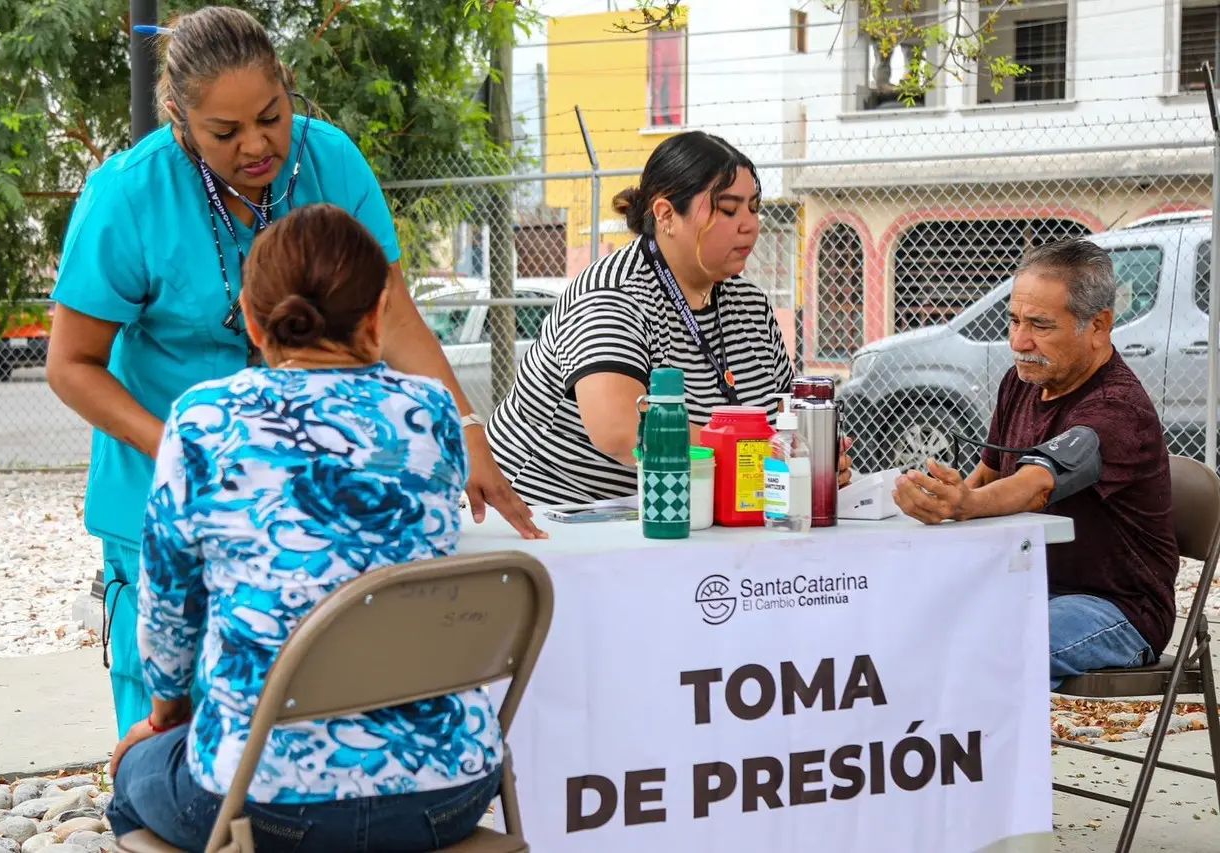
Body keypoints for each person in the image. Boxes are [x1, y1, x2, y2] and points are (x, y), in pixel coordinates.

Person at [46, 5, 542, 740]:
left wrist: (467, 429)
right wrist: (184, 451)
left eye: (271, 116)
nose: (257, 145)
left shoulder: (333, 160)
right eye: (226, 132)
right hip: (160, 488)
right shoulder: (126, 196)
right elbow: (70, 364)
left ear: (287, 86)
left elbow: (394, 312)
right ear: (180, 120)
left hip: (307, 493)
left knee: (320, 704)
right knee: (169, 713)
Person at [106, 204, 503, 852]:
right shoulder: (430, 411)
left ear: (254, 322)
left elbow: (168, 603)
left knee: (130, 776)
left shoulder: (203, 420)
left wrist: (169, 712)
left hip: (263, 801)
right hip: (448, 789)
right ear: (377, 317)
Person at [487, 131, 851, 504]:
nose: (750, 224)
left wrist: (812, 458)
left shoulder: (751, 305)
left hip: (682, 515)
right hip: (551, 515)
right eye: (728, 209)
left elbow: (782, 422)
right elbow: (620, 432)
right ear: (666, 215)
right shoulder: (613, 296)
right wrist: (756, 454)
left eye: (754, 208)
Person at [892, 238, 1179, 689]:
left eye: (1040, 326)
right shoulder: (1022, 381)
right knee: (903, 626)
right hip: (1028, 583)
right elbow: (989, 475)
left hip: (1116, 608)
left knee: (987, 651)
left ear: (1099, 326)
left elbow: (1037, 484)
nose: (1018, 341)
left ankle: (993, 757)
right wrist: (947, 496)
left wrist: (963, 504)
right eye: (1014, 320)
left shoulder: (1118, 408)